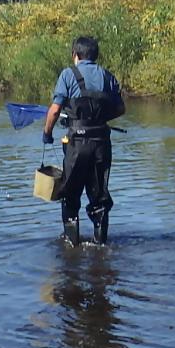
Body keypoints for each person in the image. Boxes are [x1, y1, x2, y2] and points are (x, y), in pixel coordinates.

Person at [42, 36, 125, 245]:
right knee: (99, 197)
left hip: (77, 145)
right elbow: (121, 108)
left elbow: (54, 111)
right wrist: (98, 121)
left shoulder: (68, 75)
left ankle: (71, 246)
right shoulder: (107, 76)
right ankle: (100, 245)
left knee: (70, 195)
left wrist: (47, 134)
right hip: (101, 144)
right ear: (95, 55)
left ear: (75, 55)